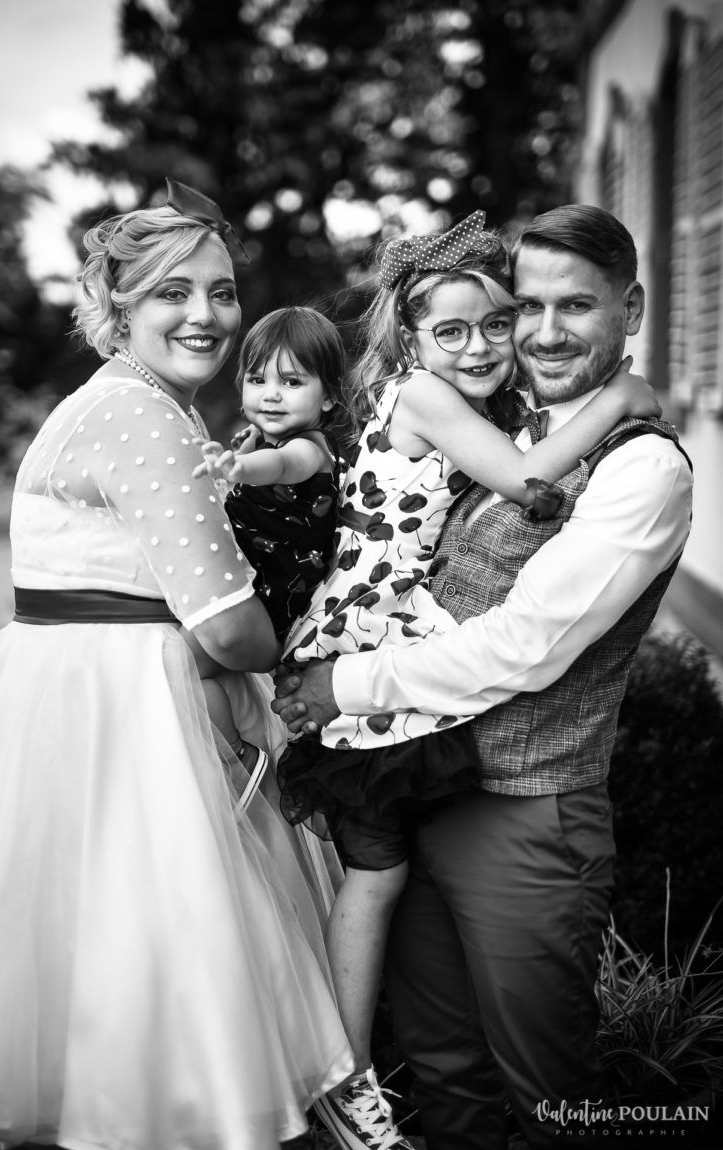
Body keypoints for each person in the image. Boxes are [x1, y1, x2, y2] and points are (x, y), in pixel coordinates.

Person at [272, 203, 693, 1150]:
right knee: (444, 1073)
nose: (543, 333)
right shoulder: (490, 421)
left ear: (629, 309)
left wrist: (342, 687)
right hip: (424, 786)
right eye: (526, 307)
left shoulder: (643, 468)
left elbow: (525, 646)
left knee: (553, 1096)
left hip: (528, 817)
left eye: (574, 306)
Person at [0, 178, 354, 1150]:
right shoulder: (143, 416)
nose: (206, 314)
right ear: (120, 304)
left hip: (85, 692)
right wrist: (302, 648)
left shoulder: (127, 405)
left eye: (221, 291)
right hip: (126, 712)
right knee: (158, 956)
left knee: (105, 950)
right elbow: (229, 629)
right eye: (174, 292)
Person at [189, 305, 353, 784]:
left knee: (180, 667)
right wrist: (241, 458)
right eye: (257, 379)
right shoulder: (259, 442)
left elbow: (282, 467)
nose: (271, 394)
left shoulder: (310, 450)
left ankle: (239, 762)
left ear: (329, 397)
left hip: (270, 601)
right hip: (249, 585)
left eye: (292, 382)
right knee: (186, 667)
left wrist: (240, 468)